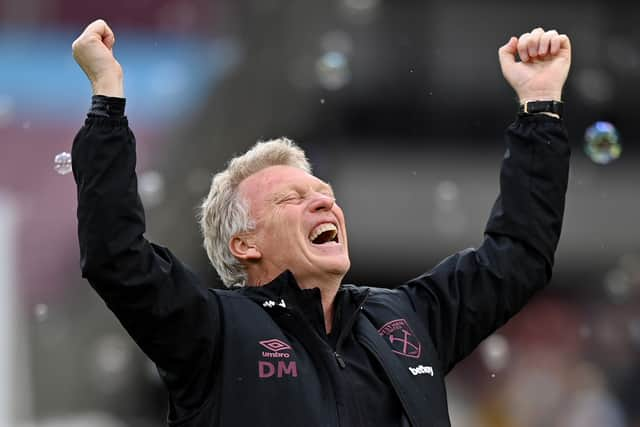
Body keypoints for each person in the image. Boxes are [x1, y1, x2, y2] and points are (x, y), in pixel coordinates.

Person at [71, 19, 571, 427]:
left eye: (325, 196)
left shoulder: (410, 318)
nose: (323, 205)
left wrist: (541, 108)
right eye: (293, 199)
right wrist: (107, 103)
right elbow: (117, 255)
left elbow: (518, 255)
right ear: (244, 244)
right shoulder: (212, 330)